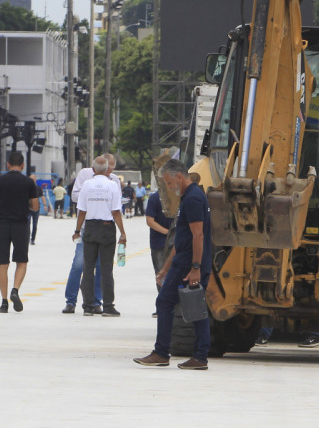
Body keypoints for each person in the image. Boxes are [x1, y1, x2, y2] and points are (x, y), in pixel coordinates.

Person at [134, 159, 214, 370]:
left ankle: (163, 353)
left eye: (169, 183)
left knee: (169, 303)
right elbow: (182, 239)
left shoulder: (193, 199)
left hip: (189, 265)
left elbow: (198, 235)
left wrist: (196, 267)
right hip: (183, 263)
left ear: (179, 176)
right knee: (193, 306)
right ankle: (197, 357)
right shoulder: (188, 197)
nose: (169, 187)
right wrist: (165, 267)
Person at [0, 151, 40, 313]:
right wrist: (24, 206)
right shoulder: (28, 183)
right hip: (21, 225)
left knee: (3, 264)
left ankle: (4, 302)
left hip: (2, 225)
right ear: (22, 165)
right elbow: (35, 207)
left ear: (8, 164)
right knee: (21, 261)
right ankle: (15, 290)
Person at [72, 156, 127, 317]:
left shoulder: (86, 185)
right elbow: (116, 211)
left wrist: (77, 230)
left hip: (90, 227)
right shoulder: (112, 185)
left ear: (94, 170)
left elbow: (82, 210)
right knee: (106, 269)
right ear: (107, 170)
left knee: (88, 268)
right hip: (106, 228)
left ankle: (87, 306)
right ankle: (108, 306)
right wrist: (122, 232)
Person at [62, 154, 111, 313]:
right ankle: (71, 301)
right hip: (86, 227)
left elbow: (116, 206)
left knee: (100, 266)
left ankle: (96, 302)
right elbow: (75, 196)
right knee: (79, 264)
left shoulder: (114, 181)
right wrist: (90, 191)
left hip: (104, 228)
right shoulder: (84, 175)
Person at [144, 185, 174, 298]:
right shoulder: (155, 198)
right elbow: (150, 221)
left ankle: (168, 306)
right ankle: (164, 305)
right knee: (162, 274)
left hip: (167, 242)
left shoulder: (178, 198)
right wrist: (168, 233)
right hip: (160, 243)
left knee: (164, 274)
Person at [28, 179, 43, 245]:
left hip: (36, 209)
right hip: (28, 208)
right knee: (28, 224)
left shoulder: (38, 188)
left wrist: (45, 205)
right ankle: (28, 238)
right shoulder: (26, 187)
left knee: (34, 225)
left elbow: (42, 196)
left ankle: (32, 239)